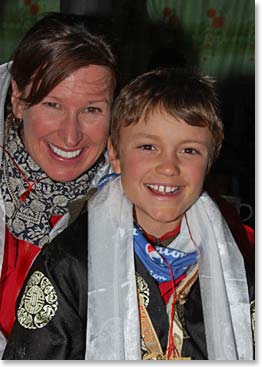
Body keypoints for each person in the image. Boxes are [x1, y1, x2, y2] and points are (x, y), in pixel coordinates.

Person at [3, 68, 254, 360]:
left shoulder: (235, 263)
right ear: (115, 154)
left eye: (189, 151)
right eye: (148, 147)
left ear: (211, 159)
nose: (168, 167)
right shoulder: (69, 264)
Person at [0, 11, 117, 355]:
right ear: (19, 102)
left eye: (92, 110)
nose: (70, 135)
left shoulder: (135, 207)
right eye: (52, 104)